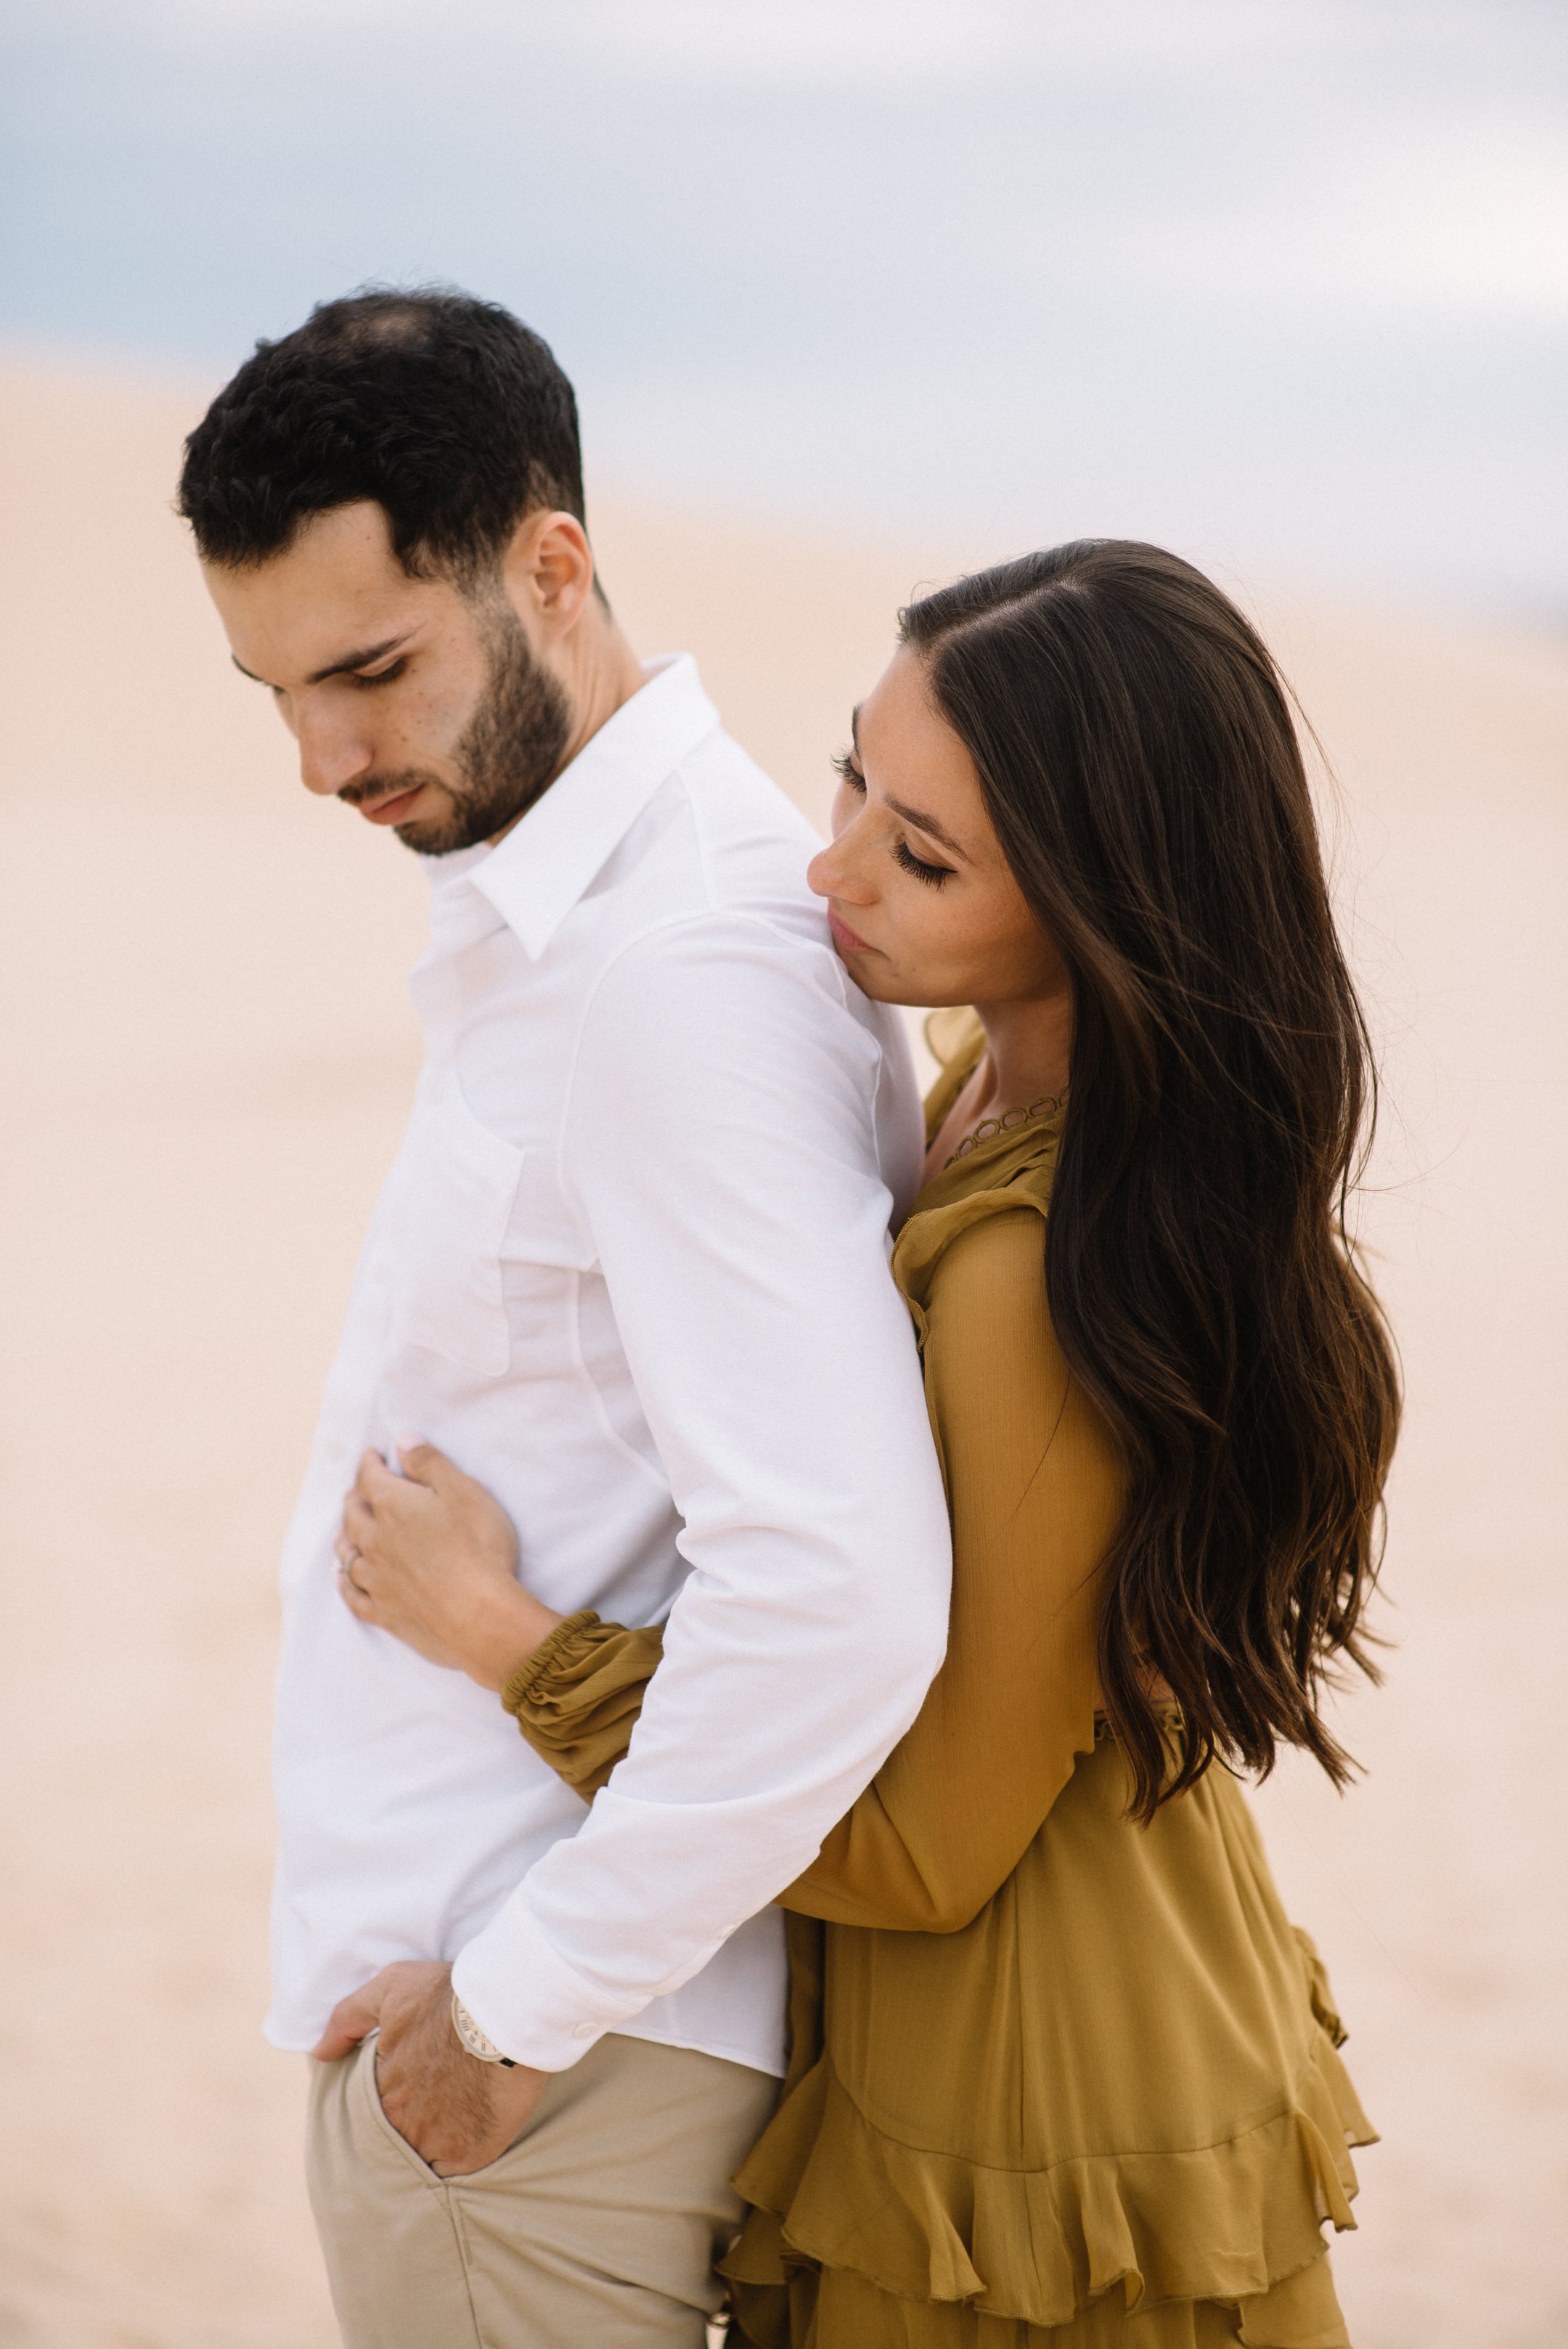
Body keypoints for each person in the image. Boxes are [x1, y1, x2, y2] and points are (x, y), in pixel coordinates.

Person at [335, 540, 1400, 2348]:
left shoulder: (1026, 1267)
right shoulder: (996, 1084)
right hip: (1090, 1971)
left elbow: (921, 1848)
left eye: (923, 856)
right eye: (854, 775)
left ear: (1106, 902)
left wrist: (511, 1640)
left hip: (1025, 2098)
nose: (830, 867)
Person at [177, 287, 954, 2348]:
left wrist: (510, 2011)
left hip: (543, 2072)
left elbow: (843, 1589)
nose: (324, 758)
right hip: (539, 2038)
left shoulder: (680, 968)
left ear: (553, 566)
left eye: (372, 670)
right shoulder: (596, 915)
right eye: (273, 690)